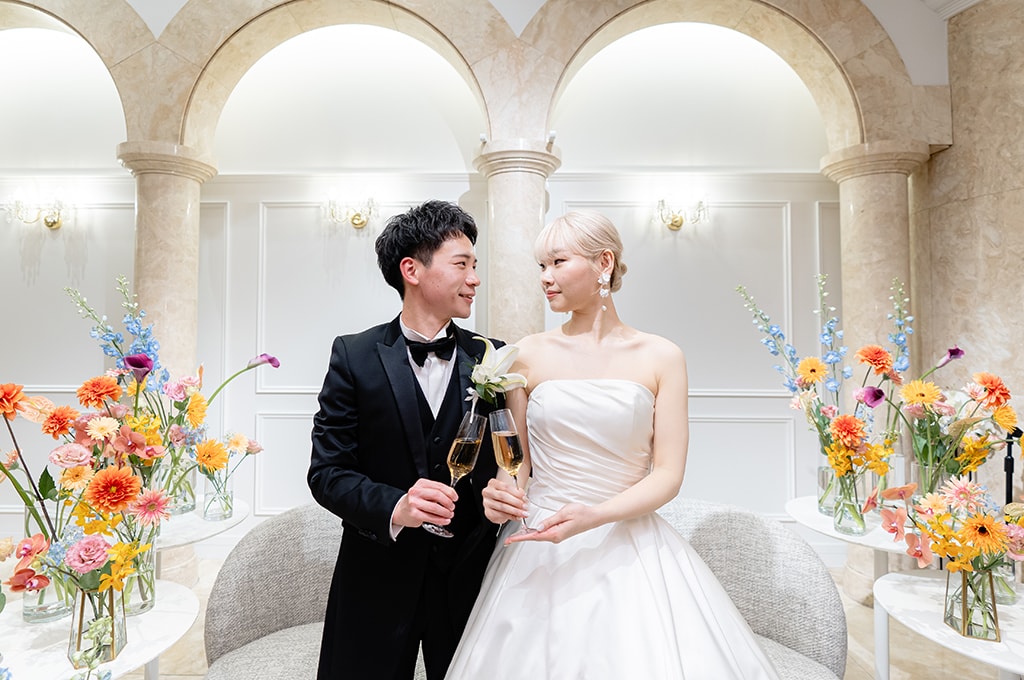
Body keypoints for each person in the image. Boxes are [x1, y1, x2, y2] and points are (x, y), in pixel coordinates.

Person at [444, 210, 781, 679]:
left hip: (630, 542)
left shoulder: (662, 356)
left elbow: (668, 475)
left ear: (603, 263)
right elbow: (515, 463)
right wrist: (501, 495)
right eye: (541, 265)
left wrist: (596, 516)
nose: (545, 277)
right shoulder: (527, 354)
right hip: (539, 542)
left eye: (558, 262)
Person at [309, 200, 503, 680]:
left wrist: (504, 491)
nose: (475, 278)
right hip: (377, 572)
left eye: (475, 265)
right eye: (462, 264)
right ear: (411, 270)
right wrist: (396, 506)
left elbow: (509, 459)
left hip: (470, 576)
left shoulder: (492, 358)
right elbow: (327, 473)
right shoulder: (353, 355)